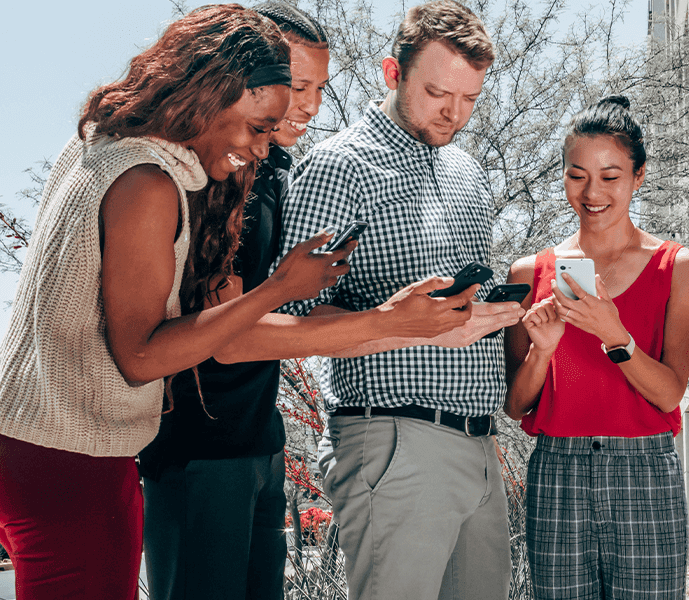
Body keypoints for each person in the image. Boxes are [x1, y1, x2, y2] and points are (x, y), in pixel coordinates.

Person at [0, 6, 311, 599]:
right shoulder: (148, 181)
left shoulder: (103, 141)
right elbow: (139, 356)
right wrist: (279, 290)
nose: (264, 147)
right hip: (72, 459)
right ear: (212, 93)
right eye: (259, 125)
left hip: (29, 446)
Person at [273, 1, 525, 598]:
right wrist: (404, 324)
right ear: (392, 73)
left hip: (477, 443)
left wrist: (500, 314)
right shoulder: (340, 167)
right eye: (439, 93)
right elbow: (288, 316)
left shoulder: (467, 170)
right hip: (392, 440)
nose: (454, 113)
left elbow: (457, 306)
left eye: (469, 99)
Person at [137, 5, 330, 600]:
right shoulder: (209, 169)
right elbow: (230, 333)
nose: (310, 106)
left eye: (321, 90)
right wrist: (391, 326)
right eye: (297, 87)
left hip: (260, 443)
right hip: (196, 451)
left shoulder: (277, 171)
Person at [503, 95, 689, 600]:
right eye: (577, 175)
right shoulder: (531, 273)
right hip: (558, 470)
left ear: (638, 177)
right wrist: (543, 350)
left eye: (611, 176)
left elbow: (668, 395)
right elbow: (516, 405)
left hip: (645, 469)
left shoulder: (680, 267)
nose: (592, 192)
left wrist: (615, 336)